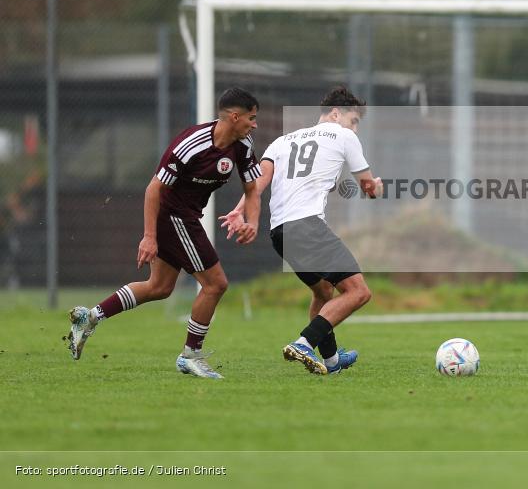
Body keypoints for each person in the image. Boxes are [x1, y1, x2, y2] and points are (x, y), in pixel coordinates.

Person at [67, 87, 262, 379]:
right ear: (234, 117)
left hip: (187, 217)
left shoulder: (243, 145)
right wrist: (149, 237)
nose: (255, 124)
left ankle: (90, 317)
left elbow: (252, 189)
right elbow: (153, 189)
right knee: (216, 284)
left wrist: (252, 222)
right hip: (172, 216)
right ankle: (190, 355)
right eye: (251, 118)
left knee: (159, 287)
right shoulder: (192, 143)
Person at [221, 85, 382, 375]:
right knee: (358, 292)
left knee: (322, 293)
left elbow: (258, 182)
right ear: (336, 114)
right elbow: (368, 187)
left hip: (280, 232)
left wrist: (238, 209)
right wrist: (377, 187)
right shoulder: (343, 135)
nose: (355, 128)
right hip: (307, 225)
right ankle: (305, 343)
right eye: (354, 120)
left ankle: (332, 361)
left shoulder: (282, 142)